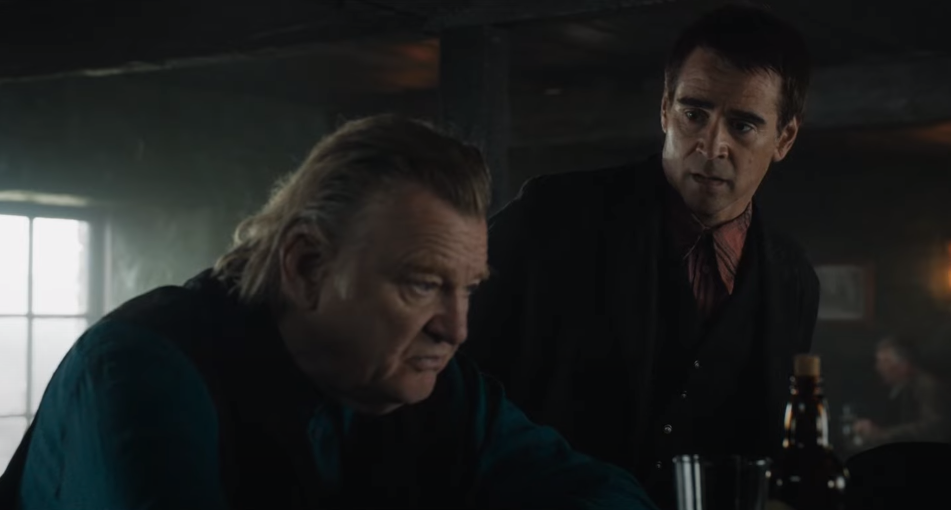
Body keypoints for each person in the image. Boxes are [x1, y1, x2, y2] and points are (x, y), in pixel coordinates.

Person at [0, 115, 659, 510]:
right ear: (307, 265)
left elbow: (611, 497)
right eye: (421, 285)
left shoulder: (432, 382)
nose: (455, 330)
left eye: (468, 289)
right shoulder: (142, 369)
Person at [465, 4, 819, 506]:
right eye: (694, 114)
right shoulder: (553, 216)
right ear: (665, 111)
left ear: (784, 138)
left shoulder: (793, 278)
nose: (711, 145)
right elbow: (459, 379)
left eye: (742, 126)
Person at [853, 335, 951, 448]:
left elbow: (933, 430)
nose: (878, 367)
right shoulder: (899, 388)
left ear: (904, 365)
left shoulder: (927, 387)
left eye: (884, 361)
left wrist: (882, 434)